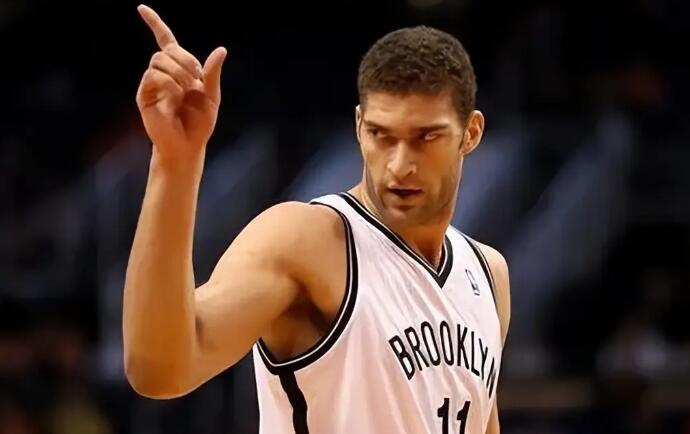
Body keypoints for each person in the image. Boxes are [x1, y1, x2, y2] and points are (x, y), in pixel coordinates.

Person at [123, 4, 511, 434]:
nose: (400, 164)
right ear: (359, 126)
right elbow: (159, 370)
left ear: (470, 133)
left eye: (426, 137)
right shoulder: (307, 241)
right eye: (382, 135)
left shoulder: (488, 273)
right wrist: (174, 162)